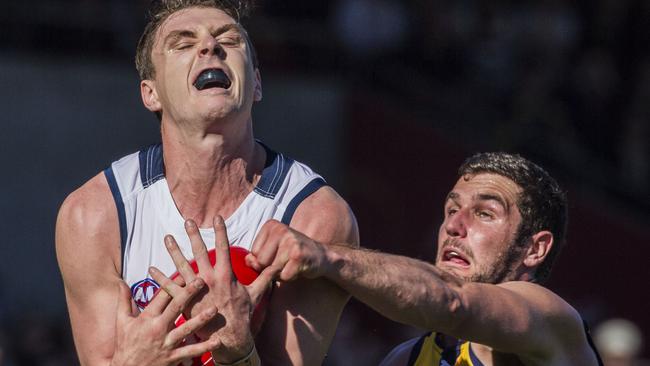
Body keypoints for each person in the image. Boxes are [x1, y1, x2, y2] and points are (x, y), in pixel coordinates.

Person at [55, 0, 358, 365]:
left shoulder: (314, 217)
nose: (209, 47)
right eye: (183, 44)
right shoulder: (94, 215)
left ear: (257, 84)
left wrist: (238, 352)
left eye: (228, 41)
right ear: (150, 94)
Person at [243, 152, 604, 365]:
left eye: (484, 214)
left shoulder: (551, 319)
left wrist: (326, 256)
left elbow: (453, 302)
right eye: (452, 209)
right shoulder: (405, 359)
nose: (454, 226)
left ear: (535, 249)